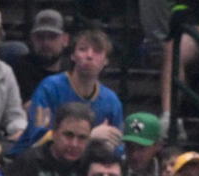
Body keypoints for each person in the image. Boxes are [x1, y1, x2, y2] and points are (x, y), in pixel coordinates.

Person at [15, 28, 123, 156]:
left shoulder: (111, 101)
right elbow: (38, 138)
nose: (89, 56)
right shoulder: (50, 88)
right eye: (82, 49)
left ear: (106, 61)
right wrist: (89, 137)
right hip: (37, 162)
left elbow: (118, 147)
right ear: (73, 56)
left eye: (97, 51)